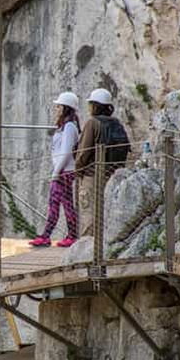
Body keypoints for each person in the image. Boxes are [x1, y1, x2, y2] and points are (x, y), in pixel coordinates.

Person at [75, 88, 129, 237]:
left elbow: (84, 152)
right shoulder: (116, 123)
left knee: (89, 214)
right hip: (112, 175)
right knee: (105, 214)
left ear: (95, 105)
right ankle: (102, 249)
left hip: (92, 176)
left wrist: (78, 171)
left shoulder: (92, 123)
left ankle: (87, 253)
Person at [30, 92, 81, 247]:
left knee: (64, 204)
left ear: (66, 108)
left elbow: (66, 152)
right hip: (61, 170)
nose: (56, 109)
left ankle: (70, 235)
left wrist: (56, 172)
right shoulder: (65, 126)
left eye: (59, 106)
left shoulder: (70, 127)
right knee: (55, 203)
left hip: (64, 171)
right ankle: (47, 235)